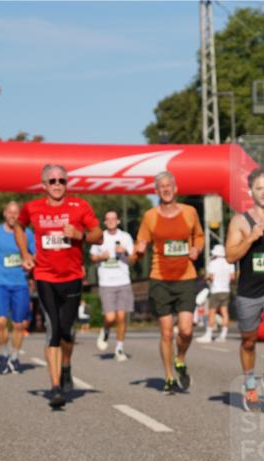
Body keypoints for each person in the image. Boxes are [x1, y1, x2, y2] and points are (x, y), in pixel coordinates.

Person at [17, 165, 102, 408]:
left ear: (67, 184)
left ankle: (66, 366)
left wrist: (80, 235)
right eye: (52, 181)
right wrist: (25, 253)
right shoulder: (32, 208)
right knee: (52, 330)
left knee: (67, 332)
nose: (57, 185)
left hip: (72, 277)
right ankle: (55, 386)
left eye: (61, 181)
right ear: (43, 185)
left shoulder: (79, 206)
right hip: (44, 276)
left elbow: (99, 235)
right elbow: (19, 227)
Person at [224, 168, 264, 410]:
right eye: (259, 188)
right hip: (249, 292)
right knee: (249, 341)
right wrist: (250, 238)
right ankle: (250, 383)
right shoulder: (240, 221)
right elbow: (230, 256)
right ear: (250, 191)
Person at [134, 172, 204, 395]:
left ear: (175, 188)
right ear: (156, 191)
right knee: (166, 333)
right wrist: (139, 251)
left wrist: (197, 248)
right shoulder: (150, 216)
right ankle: (169, 377)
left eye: (168, 186)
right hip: (160, 278)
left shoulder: (189, 212)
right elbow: (140, 243)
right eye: (161, 186)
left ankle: (180, 358)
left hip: (186, 277)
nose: (165, 189)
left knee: (185, 330)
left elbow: (199, 236)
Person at [0, 201, 35, 375]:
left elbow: (35, 254)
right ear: (4, 213)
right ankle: (4, 355)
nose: (13, 216)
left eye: (16, 213)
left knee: (19, 325)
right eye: (10, 212)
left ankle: (14, 357)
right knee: (0, 321)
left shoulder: (27, 233)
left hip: (20, 284)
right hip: (0, 284)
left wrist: (30, 262)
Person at [90, 210, 136, 362]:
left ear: (118, 221)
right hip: (106, 282)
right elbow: (92, 258)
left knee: (121, 317)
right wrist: (100, 257)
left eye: (113, 219)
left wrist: (126, 251)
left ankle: (119, 349)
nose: (111, 221)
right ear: (104, 222)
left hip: (123, 281)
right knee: (110, 317)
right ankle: (106, 329)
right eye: (107, 219)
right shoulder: (99, 237)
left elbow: (133, 259)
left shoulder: (125, 237)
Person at [199, 244, 235, 343]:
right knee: (225, 312)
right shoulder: (230, 263)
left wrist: (206, 278)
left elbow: (211, 277)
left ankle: (208, 334)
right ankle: (223, 334)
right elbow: (232, 278)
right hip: (226, 290)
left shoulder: (213, 263)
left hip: (215, 290)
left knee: (212, 313)